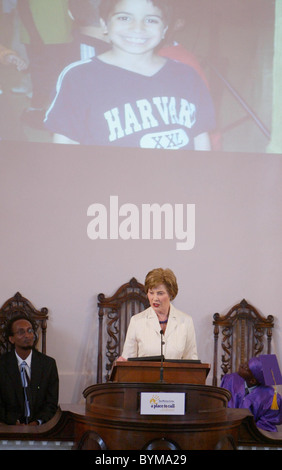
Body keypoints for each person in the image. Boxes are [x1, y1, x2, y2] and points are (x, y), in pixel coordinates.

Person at [44, 0, 215, 150]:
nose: (138, 28)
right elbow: (65, 142)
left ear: (165, 30)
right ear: (104, 24)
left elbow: (200, 136)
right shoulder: (78, 78)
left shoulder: (187, 76)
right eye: (124, 18)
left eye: (151, 20)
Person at [118, 268, 198, 361]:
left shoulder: (186, 321)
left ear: (171, 294)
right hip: (144, 375)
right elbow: (128, 361)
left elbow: (191, 362)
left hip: (175, 375)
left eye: (160, 293)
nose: (155, 298)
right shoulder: (136, 321)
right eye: (151, 293)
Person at [0, 314, 59, 425]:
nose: (27, 335)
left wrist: (37, 422)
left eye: (30, 331)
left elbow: (51, 404)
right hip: (8, 427)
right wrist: (13, 422)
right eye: (21, 332)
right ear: (11, 339)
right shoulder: (2, 365)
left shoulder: (48, 364)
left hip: (40, 428)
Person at [221, 356, 282, 432]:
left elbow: (266, 424)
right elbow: (220, 405)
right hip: (226, 428)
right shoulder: (230, 380)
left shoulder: (272, 398)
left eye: (246, 368)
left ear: (252, 381)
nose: (241, 365)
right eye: (246, 363)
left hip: (253, 435)